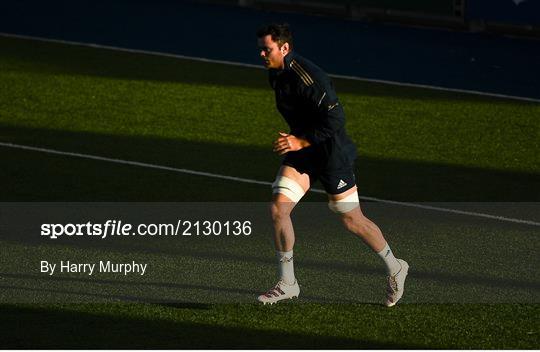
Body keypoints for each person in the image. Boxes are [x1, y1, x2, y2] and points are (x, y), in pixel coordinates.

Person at [256, 23, 409, 307]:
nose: (262, 54)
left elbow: (336, 120)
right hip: (303, 149)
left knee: (351, 219)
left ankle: (396, 266)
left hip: (329, 152)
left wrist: (301, 141)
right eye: (261, 49)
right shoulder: (276, 74)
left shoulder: (309, 77)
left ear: (284, 47)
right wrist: (298, 141)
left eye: (267, 49)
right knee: (279, 208)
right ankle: (288, 282)